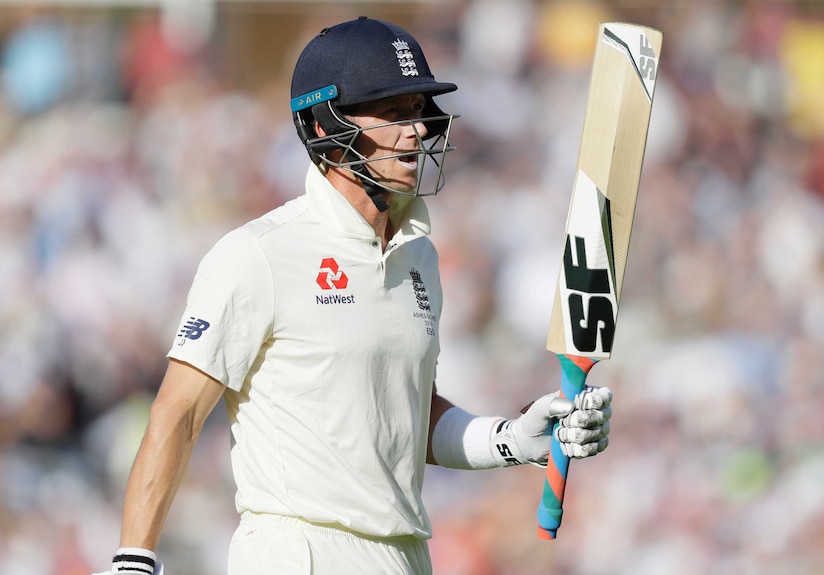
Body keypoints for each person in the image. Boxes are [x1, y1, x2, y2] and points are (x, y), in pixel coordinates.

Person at [95, 16, 613, 575]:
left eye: (417, 112)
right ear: (323, 125)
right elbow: (178, 415)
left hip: (405, 555)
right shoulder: (258, 255)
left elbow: (411, 419)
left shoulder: (420, 257)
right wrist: (134, 559)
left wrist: (512, 439)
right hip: (300, 553)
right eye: (392, 114)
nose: (414, 131)